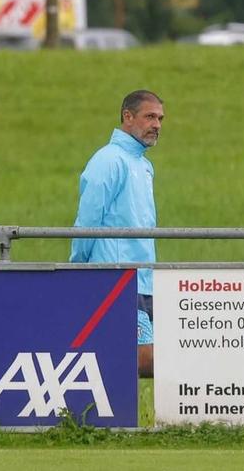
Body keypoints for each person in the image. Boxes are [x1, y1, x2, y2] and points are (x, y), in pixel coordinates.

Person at [70, 89, 162, 377]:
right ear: (127, 117)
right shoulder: (108, 160)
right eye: (150, 116)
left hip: (144, 278)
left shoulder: (144, 165)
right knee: (143, 359)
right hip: (118, 277)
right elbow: (87, 221)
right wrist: (77, 268)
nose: (157, 125)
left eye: (160, 118)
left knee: (147, 359)